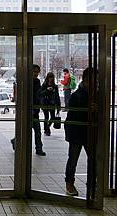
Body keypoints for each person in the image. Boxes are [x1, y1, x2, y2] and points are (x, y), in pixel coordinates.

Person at [64, 67, 97, 196]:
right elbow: (73, 115)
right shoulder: (76, 96)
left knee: (93, 159)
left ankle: (92, 184)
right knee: (73, 159)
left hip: (90, 132)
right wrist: (89, 109)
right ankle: (69, 183)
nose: (96, 84)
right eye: (94, 80)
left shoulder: (98, 94)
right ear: (86, 80)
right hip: (77, 132)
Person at [10, 66, 45, 155]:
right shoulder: (25, 81)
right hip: (26, 111)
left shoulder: (37, 81)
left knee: (37, 131)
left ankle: (39, 149)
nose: (36, 74)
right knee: (24, 130)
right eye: (34, 71)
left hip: (35, 110)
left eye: (37, 72)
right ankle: (16, 141)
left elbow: (38, 95)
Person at [40, 72, 61, 136]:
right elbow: (41, 94)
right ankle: (46, 130)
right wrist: (47, 90)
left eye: (52, 78)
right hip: (45, 103)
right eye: (50, 77)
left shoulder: (55, 86)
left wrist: (58, 106)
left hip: (52, 103)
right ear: (47, 78)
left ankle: (47, 127)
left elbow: (57, 96)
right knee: (46, 117)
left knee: (52, 117)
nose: (51, 79)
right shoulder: (44, 85)